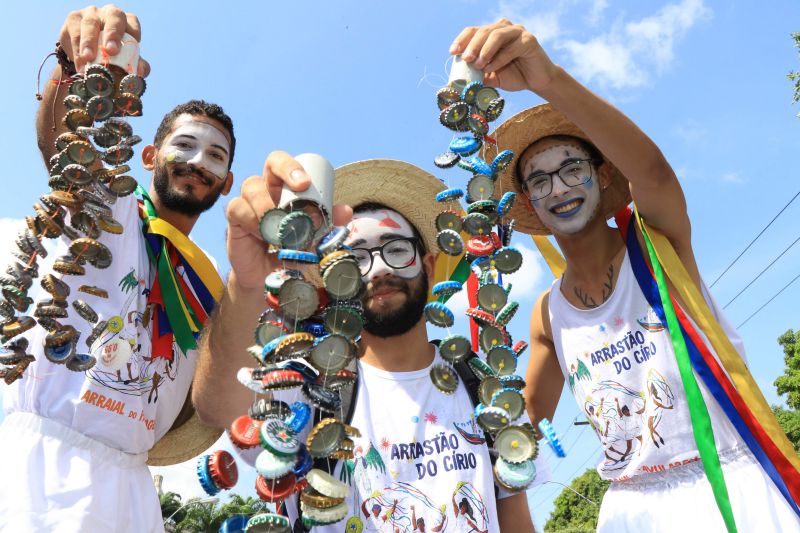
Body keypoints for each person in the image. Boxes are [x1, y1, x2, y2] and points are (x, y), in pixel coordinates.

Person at [447, 18, 800, 532]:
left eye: (572, 168)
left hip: (731, 488)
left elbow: (654, 173)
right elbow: (525, 424)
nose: (559, 188)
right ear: (526, 201)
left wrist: (548, 79)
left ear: (604, 172)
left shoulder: (658, 243)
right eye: (539, 180)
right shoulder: (548, 313)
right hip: (630, 510)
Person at [193, 154, 536, 532]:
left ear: (430, 266)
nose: (381, 268)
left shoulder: (484, 388)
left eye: (396, 249)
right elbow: (216, 406)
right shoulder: (308, 391)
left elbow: (517, 519)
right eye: (356, 257)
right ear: (334, 278)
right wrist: (247, 286)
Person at [0, 5, 235, 531]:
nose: (198, 161)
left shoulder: (211, 281)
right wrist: (75, 65)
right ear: (149, 156)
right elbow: (63, 142)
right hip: (38, 470)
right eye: (185, 144)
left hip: (132, 489)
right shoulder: (106, 205)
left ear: (227, 181)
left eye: (215, 156)